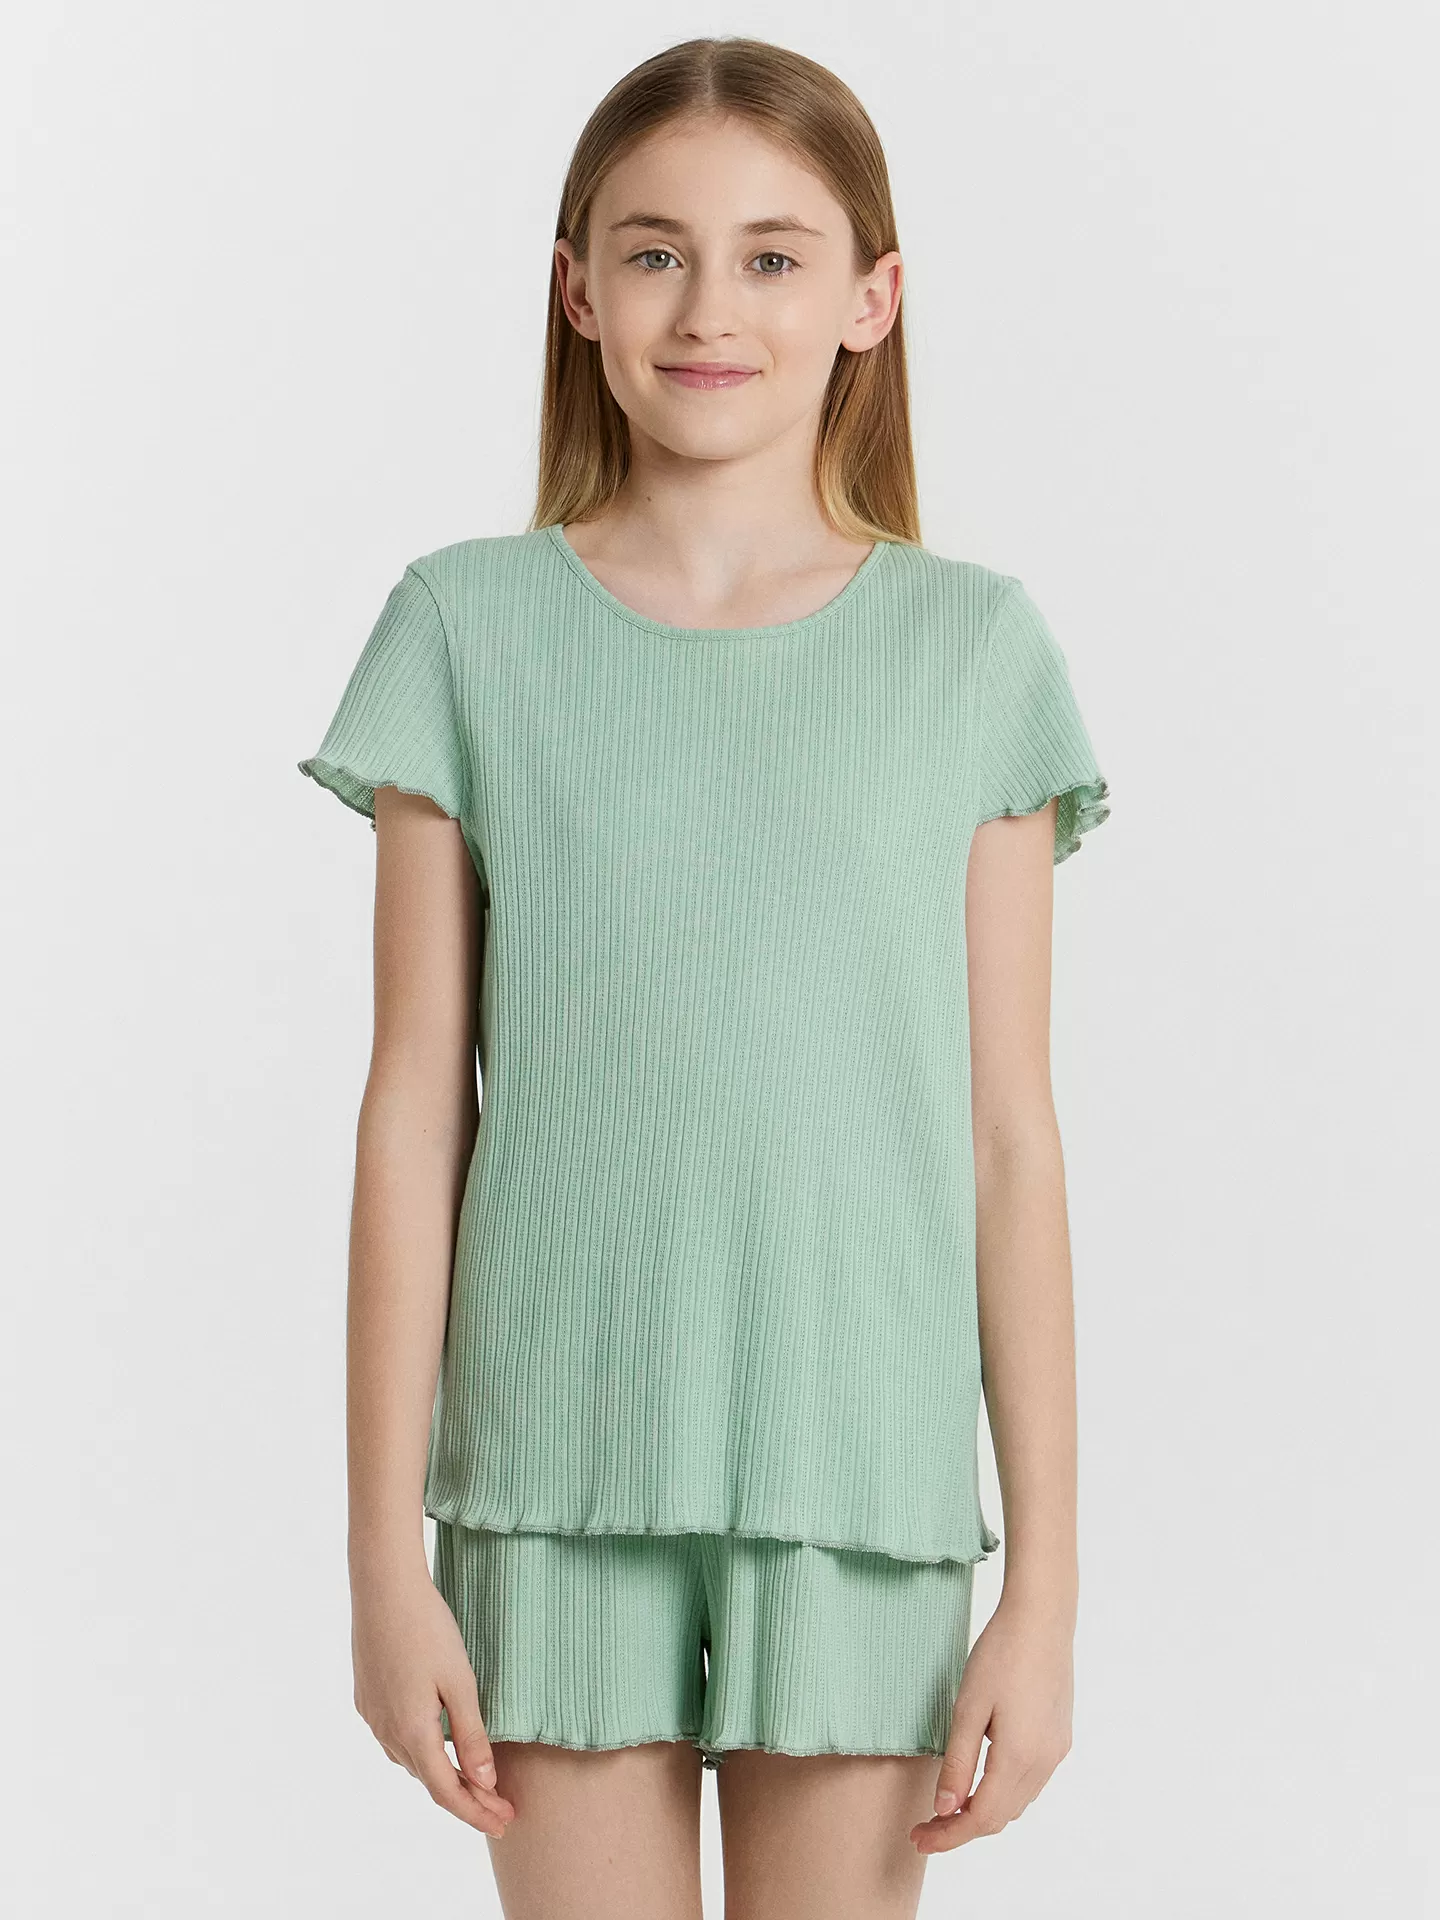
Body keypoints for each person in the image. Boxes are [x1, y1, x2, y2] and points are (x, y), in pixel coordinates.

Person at [296, 34, 1112, 1920]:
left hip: (863, 1482)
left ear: (870, 299)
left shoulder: (974, 654)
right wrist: (381, 1564)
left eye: (773, 255)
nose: (710, 308)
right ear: (577, 290)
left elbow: (1010, 1136)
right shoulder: (465, 630)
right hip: (553, 1476)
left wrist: (1048, 1593)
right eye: (655, 252)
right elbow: (414, 1111)